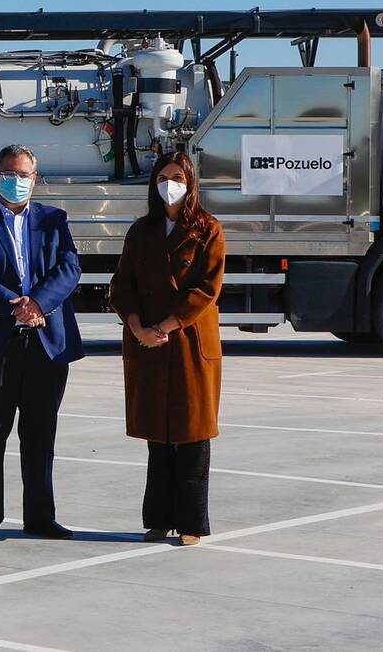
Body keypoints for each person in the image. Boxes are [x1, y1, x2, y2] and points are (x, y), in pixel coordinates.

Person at [0, 144, 84, 543]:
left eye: (24, 174)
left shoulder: (54, 220)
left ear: (35, 178)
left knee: (41, 434)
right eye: (9, 172)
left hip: (44, 342)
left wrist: (39, 303)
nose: (17, 180)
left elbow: (69, 267)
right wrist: (15, 306)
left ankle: (41, 517)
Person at [110, 151, 225, 546]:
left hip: (190, 341)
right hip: (148, 342)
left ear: (191, 182)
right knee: (158, 435)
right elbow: (121, 285)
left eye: (177, 176)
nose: (169, 183)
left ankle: (192, 522)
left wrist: (167, 325)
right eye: (163, 176)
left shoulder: (207, 229)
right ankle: (158, 518)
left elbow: (207, 289)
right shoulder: (141, 231)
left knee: (193, 433)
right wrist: (138, 326)